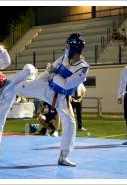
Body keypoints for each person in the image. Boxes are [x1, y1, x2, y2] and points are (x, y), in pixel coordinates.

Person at [15, 33, 89, 167]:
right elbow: (50, 71)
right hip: (46, 87)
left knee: (71, 123)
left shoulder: (83, 68)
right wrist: (38, 81)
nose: (65, 48)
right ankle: (4, 87)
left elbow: (66, 84)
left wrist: (54, 75)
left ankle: (63, 156)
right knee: (20, 88)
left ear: (73, 47)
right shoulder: (64, 57)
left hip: (62, 98)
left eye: (67, 45)